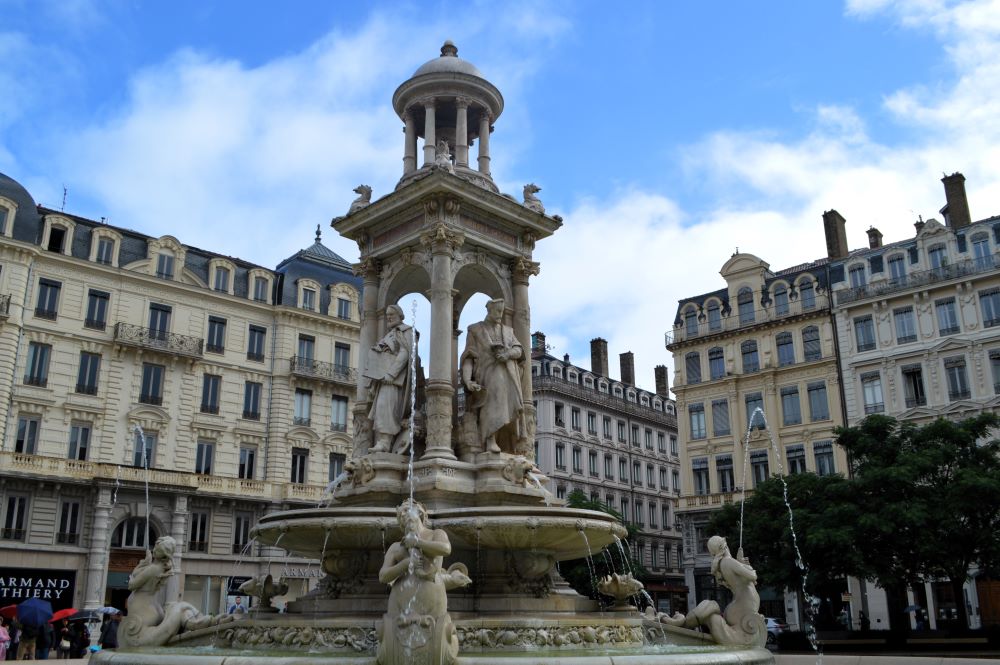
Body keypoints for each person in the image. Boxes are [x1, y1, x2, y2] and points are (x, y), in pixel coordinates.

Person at [460, 298, 526, 453]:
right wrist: (467, 380)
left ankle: (505, 442)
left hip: (509, 375)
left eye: (502, 312)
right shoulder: (475, 330)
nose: (500, 315)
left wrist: (507, 354)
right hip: (486, 373)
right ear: (489, 310)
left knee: (508, 403)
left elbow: (519, 351)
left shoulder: (508, 331)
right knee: (493, 399)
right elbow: (468, 357)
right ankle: (490, 439)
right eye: (497, 311)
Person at [366, 304, 415, 453]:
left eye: (392, 314)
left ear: (400, 316)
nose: (389, 317)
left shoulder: (406, 331)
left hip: (393, 379)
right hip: (383, 377)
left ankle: (385, 442)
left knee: (386, 408)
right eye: (387, 315)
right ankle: (383, 441)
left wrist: (392, 373)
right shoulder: (389, 334)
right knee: (381, 408)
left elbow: (405, 353)